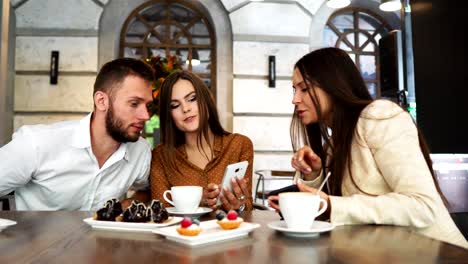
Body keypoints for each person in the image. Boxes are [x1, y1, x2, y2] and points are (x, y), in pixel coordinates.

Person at [268, 47, 467, 248]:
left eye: (304, 88)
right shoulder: (336, 143)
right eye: (295, 90)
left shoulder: (379, 116)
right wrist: (314, 174)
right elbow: (338, 214)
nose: (295, 100)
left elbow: (423, 206)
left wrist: (330, 205)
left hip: (439, 254)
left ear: (333, 85)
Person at [0, 58, 154, 210]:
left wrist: (130, 204)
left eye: (147, 105)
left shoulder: (140, 152)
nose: (146, 116)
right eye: (134, 103)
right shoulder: (36, 143)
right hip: (32, 234)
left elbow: (147, 190)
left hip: (104, 235)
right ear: (101, 101)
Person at [150, 70, 254, 212]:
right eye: (175, 105)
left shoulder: (239, 144)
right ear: (169, 115)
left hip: (227, 232)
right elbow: (159, 211)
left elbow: (247, 206)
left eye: (192, 98)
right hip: (182, 233)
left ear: (206, 99)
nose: (186, 109)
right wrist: (196, 202)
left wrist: (239, 205)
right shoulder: (160, 156)